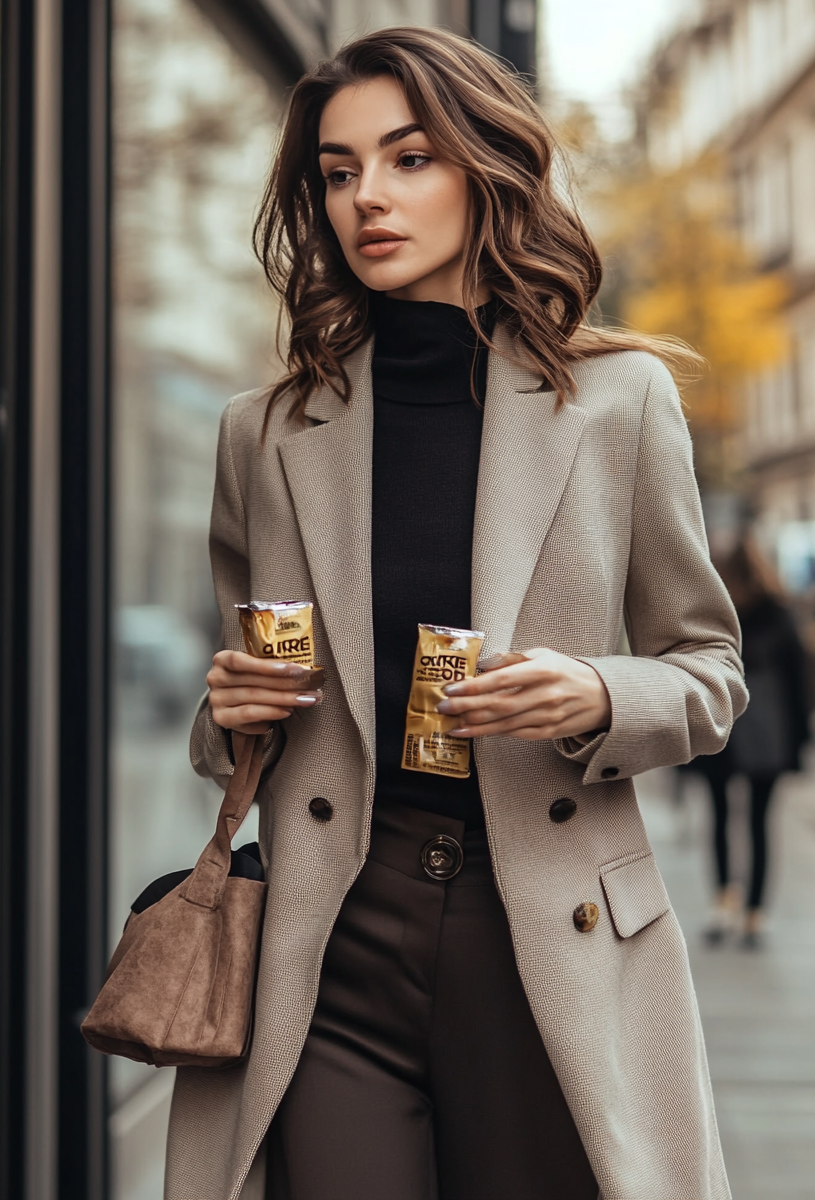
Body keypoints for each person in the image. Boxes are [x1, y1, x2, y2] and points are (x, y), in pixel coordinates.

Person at [166, 27, 746, 1200]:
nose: (366, 197)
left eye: (408, 158)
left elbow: (711, 667)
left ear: (486, 169)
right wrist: (226, 708)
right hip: (333, 940)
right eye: (337, 172)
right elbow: (231, 712)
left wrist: (597, 693)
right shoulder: (265, 433)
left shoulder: (620, 404)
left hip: (548, 931)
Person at [695, 541, 809, 949]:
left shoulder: (717, 613)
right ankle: (756, 914)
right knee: (760, 823)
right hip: (770, 732)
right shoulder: (780, 614)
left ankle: (724, 902)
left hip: (722, 727)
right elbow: (799, 684)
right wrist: (799, 744)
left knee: (720, 818)